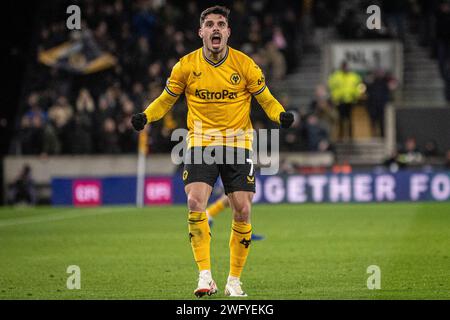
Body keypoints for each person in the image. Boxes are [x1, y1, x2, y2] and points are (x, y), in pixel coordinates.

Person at [131, 6, 293, 298]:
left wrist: (280, 115)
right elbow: (165, 100)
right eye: (209, 24)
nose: (215, 28)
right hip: (200, 143)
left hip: (237, 143)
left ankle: (234, 280)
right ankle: (205, 275)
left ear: (228, 32)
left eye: (221, 24)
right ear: (201, 32)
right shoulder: (185, 66)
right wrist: (146, 116)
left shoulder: (245, 65)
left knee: (242, 210)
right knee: (195, 202)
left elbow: (266, 100)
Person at [328, 61, 362, 140]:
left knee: (349, 119)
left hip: (350, 101)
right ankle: (341, 135)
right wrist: (334, 97)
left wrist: (356, 96)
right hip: (339, 101)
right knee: (340, 119)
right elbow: (331, 87)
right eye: (343, 67)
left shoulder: (353, 76)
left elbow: (358, 87)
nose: (345, 68)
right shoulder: (336, 76)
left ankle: (350, 136)